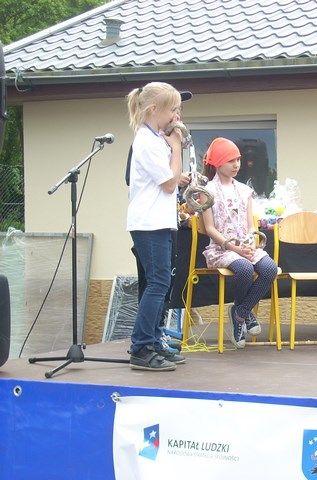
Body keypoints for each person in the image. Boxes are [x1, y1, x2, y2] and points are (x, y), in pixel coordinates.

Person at [126, 82, 186, 371]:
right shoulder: (147, 141)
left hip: (159, 222)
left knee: (161, 283)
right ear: (153, 110)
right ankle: (141, 347)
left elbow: (169, 178)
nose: (176, 115)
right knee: (158, 283)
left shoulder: (155, 139)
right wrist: (176, 147)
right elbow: (168, 183)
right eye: (173, 109)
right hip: (149, 224)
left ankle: (154, 340)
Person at [201, 137, 278, 349]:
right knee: (244, 269)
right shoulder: (207, 191)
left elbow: (251, 225)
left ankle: (240, 312)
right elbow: (210, 228)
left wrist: (251, 242)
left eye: (238, 160)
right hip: (222, 248)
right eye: (231, 160)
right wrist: (232, 247)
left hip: (245, 245)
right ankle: (244, 313)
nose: (236, 164)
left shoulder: (245, 191)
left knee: (270, 269)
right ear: (218, 163)